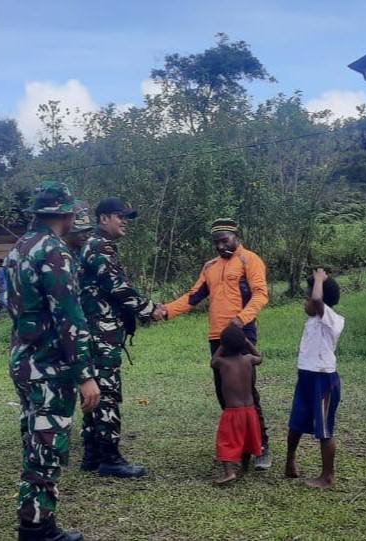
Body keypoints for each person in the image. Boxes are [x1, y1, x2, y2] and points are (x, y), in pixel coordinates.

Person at [5, 181, 100, 541]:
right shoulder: (54, 251)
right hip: (49, 366)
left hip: (23, 360)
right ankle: (37, 529)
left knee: (35, 443)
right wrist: (85, 374)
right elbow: (69, 316)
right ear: (67, 214)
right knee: (48, 447)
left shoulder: (19, 248)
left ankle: (36, 523)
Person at [164, 218, 271, 469]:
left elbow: (260, 294)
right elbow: (193, 297)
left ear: (236, 237)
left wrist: (240, 319)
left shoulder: (250, 260)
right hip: (217, 338)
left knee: (246, 393)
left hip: (241, 335)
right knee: (225, 394)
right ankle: (238, 447)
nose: (221, 246)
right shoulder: (210, 266)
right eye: (216, 242)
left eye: (225, 240)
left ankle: (261, 447)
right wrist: (165, 311)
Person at [79, 196, 165, 478]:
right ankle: (110, 459)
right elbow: (118, 288)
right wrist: (150, 309)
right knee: (106, 393)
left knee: (95, 391)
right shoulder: (99, 247)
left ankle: (92, 454)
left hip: (96, 331)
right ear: (104, 218)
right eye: (120, 216)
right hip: (100, 333)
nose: (125, 222)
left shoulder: (95, 245)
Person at [285, 268, 344, 489]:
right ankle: (290, 461)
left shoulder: (332, 318)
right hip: (306, 376)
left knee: (324, 429)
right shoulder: (312, 320)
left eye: (307, 297)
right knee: (296, 422)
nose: (305, 302)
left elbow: (318, 299)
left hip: (324, 380)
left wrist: (319, 278)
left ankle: (327, 476)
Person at [211, 325, 264, 484]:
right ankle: (244, 468)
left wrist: (221, 345)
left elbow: (213, 361)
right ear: (243, 343)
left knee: (226, 441)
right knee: (247, 440)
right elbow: (260, 357)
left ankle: (229, 473)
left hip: (233, 412)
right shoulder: (248, 360)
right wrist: (247, 342)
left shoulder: (223, 363)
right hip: (250, 410)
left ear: (224, 346)